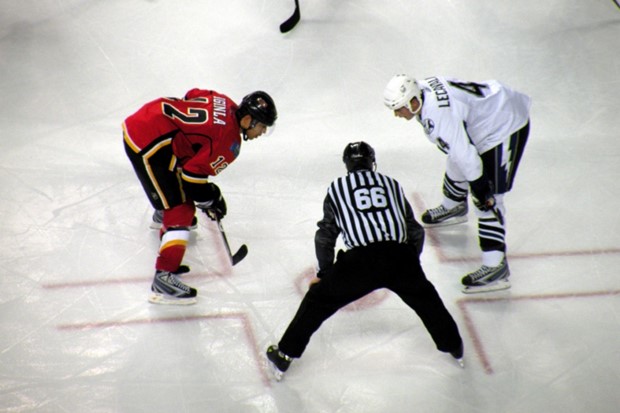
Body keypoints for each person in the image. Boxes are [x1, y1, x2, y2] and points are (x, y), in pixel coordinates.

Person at [266, 141, 463, 380]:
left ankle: (285, 355)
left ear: (347, 165)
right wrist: (410, 262)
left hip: (360, 262)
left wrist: (326, 273)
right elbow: (416, 231)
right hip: (399, 255)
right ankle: (455, 347)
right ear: (372, 162)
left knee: (317, 302)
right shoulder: (391, 184)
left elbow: (325, 235)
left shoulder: (337, 187)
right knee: (428, 301)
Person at [123, 88, 277, 305]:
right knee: (182, 211)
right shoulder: (229, 144)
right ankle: (163, 278)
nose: (262, 132)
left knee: (179, 191)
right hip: (147, 142)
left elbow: (191, 94)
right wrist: (211, 198)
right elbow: (192, 177)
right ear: (247, 120)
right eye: (261, 126)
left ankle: (163, 212)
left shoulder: (226, 102)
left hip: (150, 118)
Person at [383, 75, 531, 294]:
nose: (397, 114)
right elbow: (457, 148)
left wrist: (481, 187)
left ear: (413, 101)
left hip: (505, 124)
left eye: (399, 108)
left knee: (489, 199)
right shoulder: (422, 92)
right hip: (491, 113)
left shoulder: (437, 114)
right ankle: (455, 206)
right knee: (456, 156)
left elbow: (466, 155)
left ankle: (496, 266)